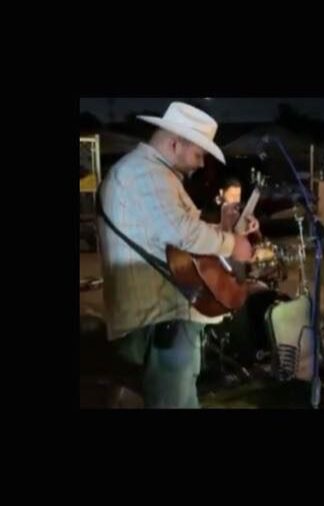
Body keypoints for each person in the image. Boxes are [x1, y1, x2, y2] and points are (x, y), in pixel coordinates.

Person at [97, 102, 259, 408]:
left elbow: (177, 234)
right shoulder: (145, 173)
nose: (201, 164)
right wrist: (232, 244)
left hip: (164, 318)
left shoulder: (154, 174)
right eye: (199, 154)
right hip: (159, 319)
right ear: (175, 142)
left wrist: (226, 227)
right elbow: (182, 233)